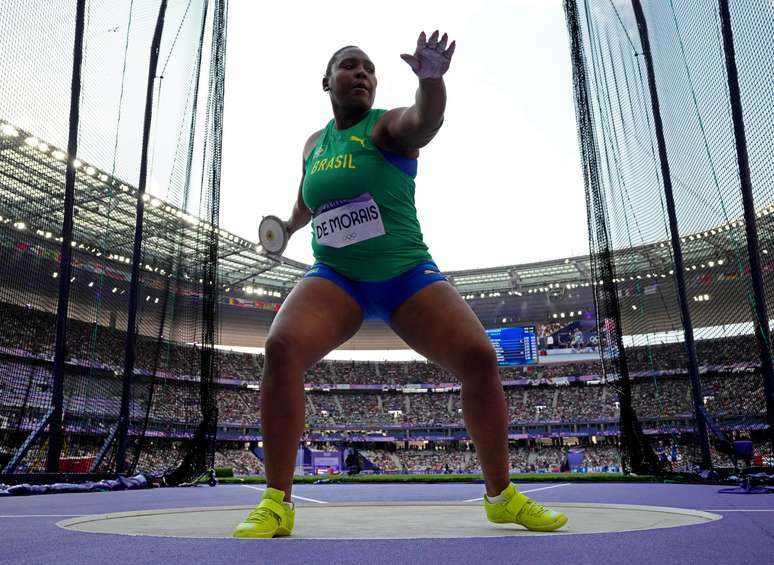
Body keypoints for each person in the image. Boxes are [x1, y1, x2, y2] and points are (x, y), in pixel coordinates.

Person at [233, 30, 567, 539]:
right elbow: (307, 201)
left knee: (479, 357)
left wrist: (431, 83)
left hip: (405, 275)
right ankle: (276, 503)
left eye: (368, 67)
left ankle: (501, 496)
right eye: (350, 65)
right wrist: (287, 227)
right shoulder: (313, 145)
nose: (362, 73)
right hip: (337, 278)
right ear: (326, 81)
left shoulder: (384, 127)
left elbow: (423, 122)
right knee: (280, 346)